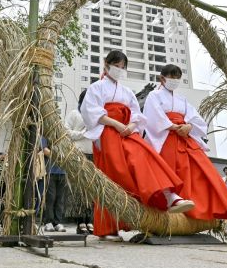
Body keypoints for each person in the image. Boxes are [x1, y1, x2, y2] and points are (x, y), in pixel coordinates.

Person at [81, 51, 194, 242]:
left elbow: (136, 114)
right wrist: (116, 124)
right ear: (106, 64)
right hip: (108, 131)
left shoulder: (126, 92)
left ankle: (167, 194)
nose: (120, 69)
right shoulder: (96, 87)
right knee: (115, 175)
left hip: (127, 131)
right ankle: (109, 228)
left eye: (123, 66)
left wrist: (131, 126)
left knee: (146, 154)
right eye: (116, 65)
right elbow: (90, 111)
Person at [143, 64, 227, 231]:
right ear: (162, 78)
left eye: (177, 78)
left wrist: (189, 127)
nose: (174, 81)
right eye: (171, 77)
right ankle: (172, 199)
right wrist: (174, 127)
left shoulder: (182, 100)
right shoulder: (153, 96)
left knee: (209, 174)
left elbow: (196, 119)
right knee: (168, 172)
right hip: (166, 137)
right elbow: (153, 117)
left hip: (186, 138)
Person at [65, 89, 94, 234]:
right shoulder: (74, 114)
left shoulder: (95, 116)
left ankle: (89, 219)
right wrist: (82, 133)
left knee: (90, 189)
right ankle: (80, 221)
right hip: (79, 153)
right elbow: (65, 132)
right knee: (78, 188)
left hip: (92, 154)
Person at [42, 137, 68, 232]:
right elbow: (44, 150)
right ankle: (48, 222)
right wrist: (58, 155)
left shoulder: (63, 135)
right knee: (50, 197)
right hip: (50, 171)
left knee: (60, 198)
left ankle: (57, 222)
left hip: (62, 171)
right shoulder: (46, 135)